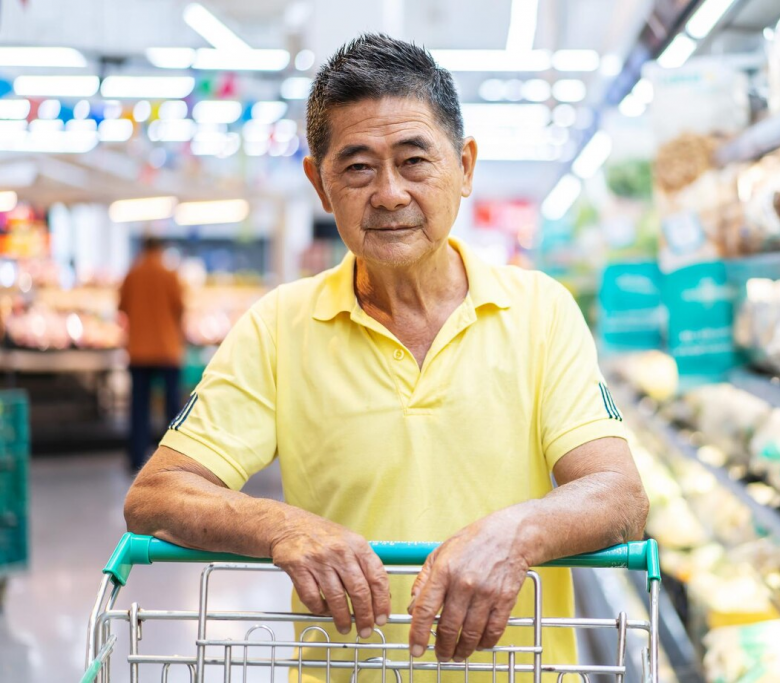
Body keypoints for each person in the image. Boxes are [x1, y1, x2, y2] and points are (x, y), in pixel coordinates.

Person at [123, 34, 648, 677]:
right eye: (358, 167)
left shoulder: (541, 311)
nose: (390, 193)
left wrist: (513, 535)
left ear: (464, 167)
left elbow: (619, 494)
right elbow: (156, 494)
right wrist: (281, 527)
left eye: (414, 161)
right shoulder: (279, 327)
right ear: (320, 184)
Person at [118, 236, 185, 473]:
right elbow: (179, 307)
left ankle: (137, 458)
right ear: (161, 248)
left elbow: (122, 307)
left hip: (139, 350)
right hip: (167, 349)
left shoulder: (132, 274)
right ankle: (174, 461)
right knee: (172, 409)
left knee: (138, 407)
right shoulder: (170, 274)